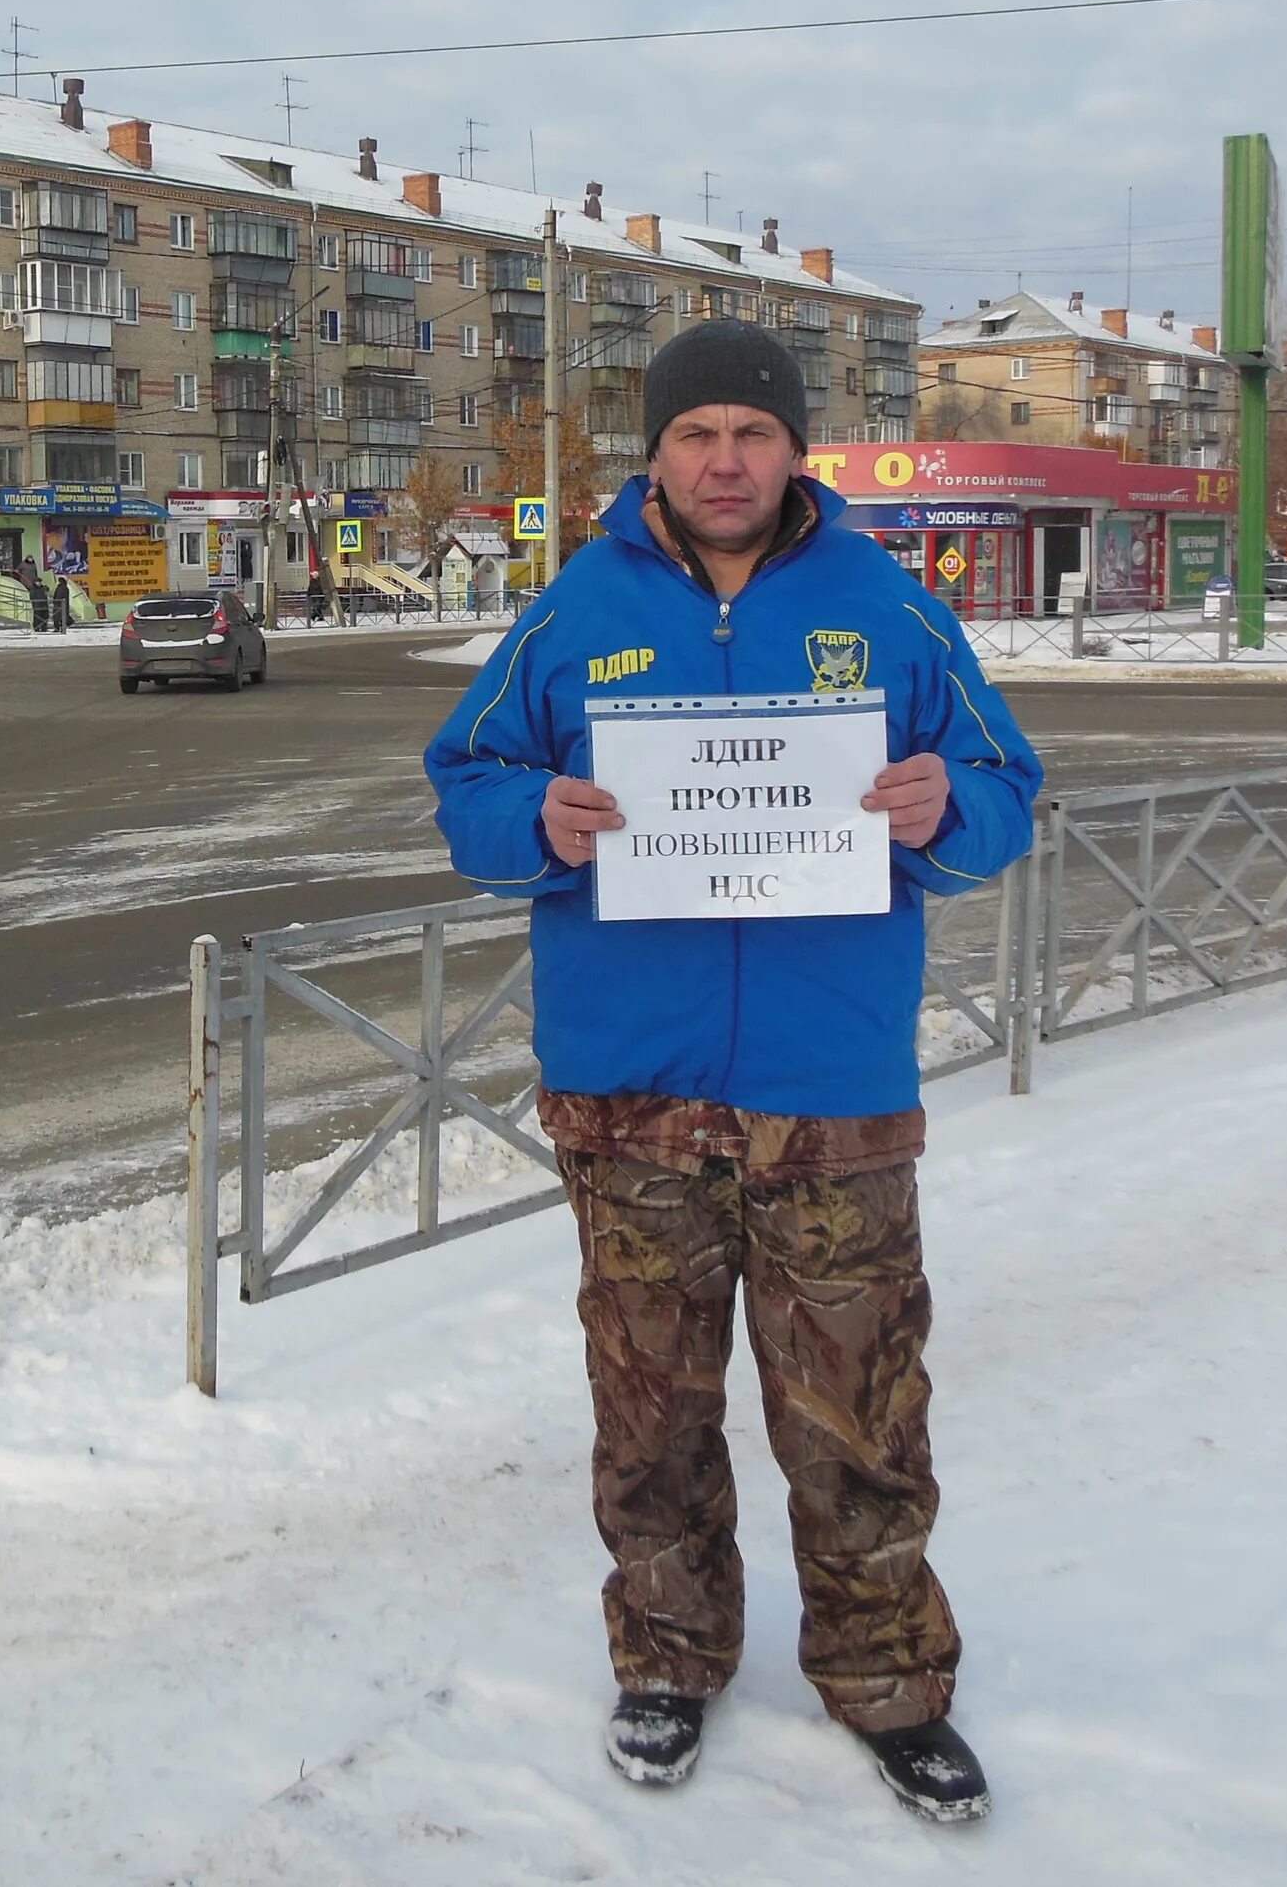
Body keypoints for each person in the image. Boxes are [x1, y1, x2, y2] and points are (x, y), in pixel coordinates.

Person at [426, 319, 1042, 1822]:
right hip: (631, 1086)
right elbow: (468, 778)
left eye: (750, 434)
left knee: (859, 1403)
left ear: (793, 450)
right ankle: (667, 1655)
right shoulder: (574, 613)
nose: (723, 460)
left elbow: (1008, 787)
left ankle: (890, 1676)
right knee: (651, 1404)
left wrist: (938, 801)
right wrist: (542, 824)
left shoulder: (888, 613)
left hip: (828, 1091)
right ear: (656, 452)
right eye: (695, 433)